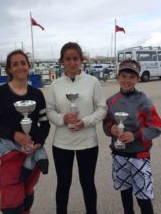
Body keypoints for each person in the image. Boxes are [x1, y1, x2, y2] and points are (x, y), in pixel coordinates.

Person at [0, 49, 50, 214]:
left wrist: (39, 142)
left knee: (27, 191)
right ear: (9, 69)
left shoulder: (37, 94)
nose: (20, 67)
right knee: (11, 199)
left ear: (28, 66)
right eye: (15, 64)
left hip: (33, 152)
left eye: (23, 63)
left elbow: (45, 123)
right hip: (11, 152)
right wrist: (14, 135)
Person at [46, 42, 107, 214]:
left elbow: (102, 108)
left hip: (87, 142)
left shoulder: (93, 82)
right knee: (63, 184)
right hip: (62, 143)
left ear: (81, 60)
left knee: (87, 183)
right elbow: (49, 111)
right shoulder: (55, 85)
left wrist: (85, 122)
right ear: (62, 61)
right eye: (68, 59)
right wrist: (62, 118)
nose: (72, 63)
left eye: (75, 59)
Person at [103, 59, 161, 214]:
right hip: (119, 154)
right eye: (124, 76)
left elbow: (157, 127)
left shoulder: (144, 101)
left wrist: (135, 135)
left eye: (131, 77)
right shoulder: (111, 101)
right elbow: (106, 124)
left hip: (139, 156)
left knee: (143, 197)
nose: (127, 80)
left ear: (137, 79)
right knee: (125, 194)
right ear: (118, 77)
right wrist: (113, 129)